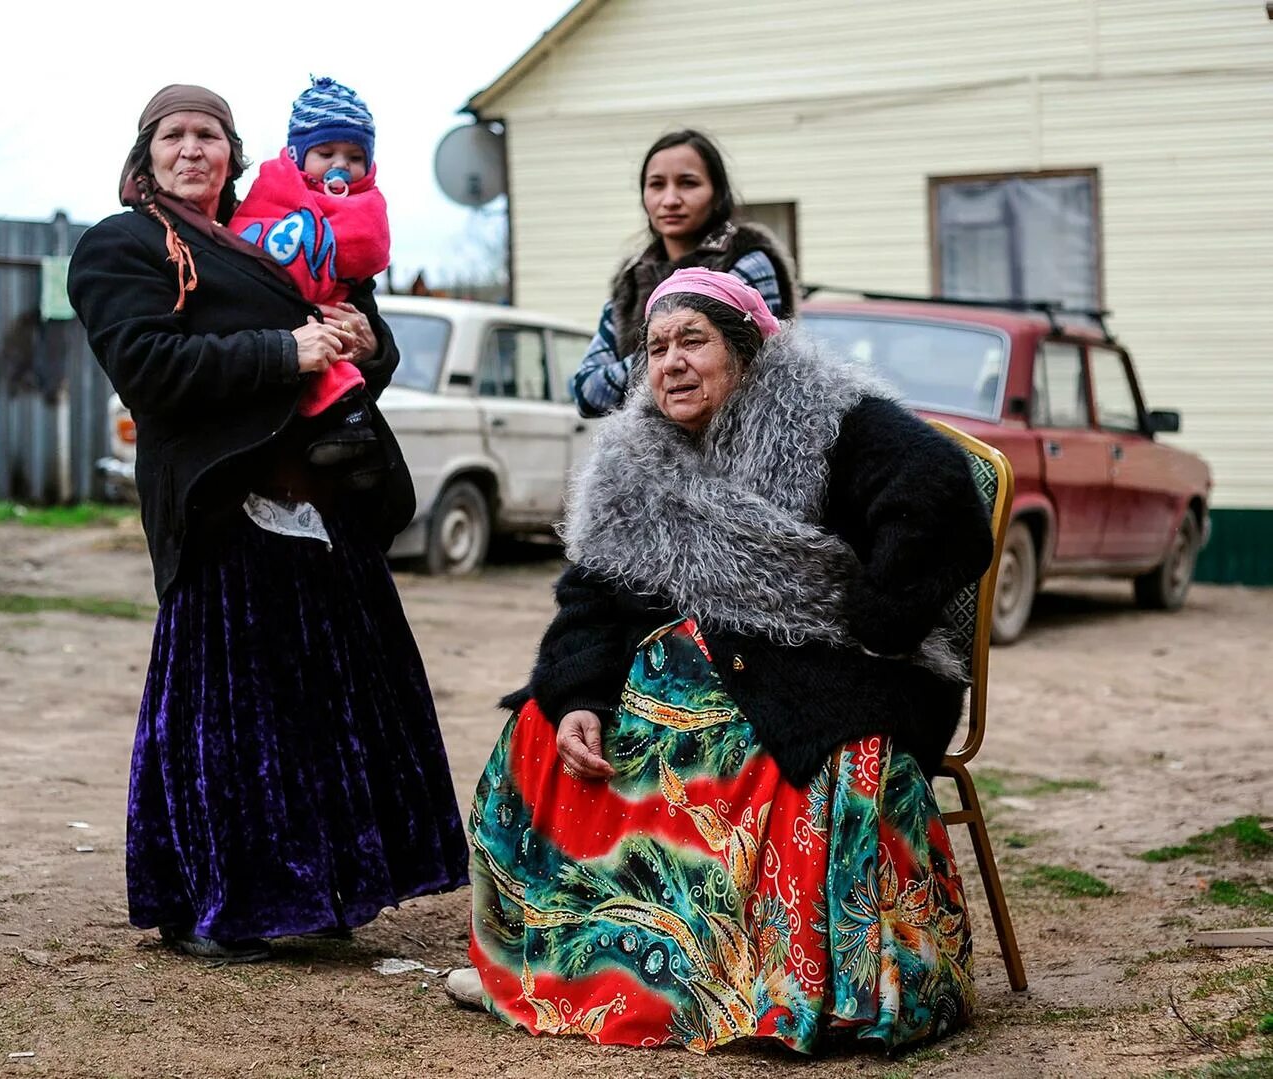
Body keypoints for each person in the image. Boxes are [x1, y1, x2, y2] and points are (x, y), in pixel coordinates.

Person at [446, 268, 993, 1054]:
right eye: (656, 346)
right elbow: (590, 599)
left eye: (692, 340)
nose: (670, 360)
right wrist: (578, 697)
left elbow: (939, 495)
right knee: (544, 729)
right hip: (714, 667)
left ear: (745, 349)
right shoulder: (634, 461)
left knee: (756, 751)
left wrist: (879, 613)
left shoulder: (829, 418)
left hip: (847, 666)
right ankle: (556, 962)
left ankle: (751, 979)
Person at [66, 84, 469, 964]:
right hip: (223, 513)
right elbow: (148, 368)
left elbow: (359, 333)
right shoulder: (122, 246)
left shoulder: (271, 231)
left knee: (328, 710)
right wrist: (284, 352)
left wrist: (367, 341)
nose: (193, 149)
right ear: (146, 155)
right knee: (227, 724)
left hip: (325, 506)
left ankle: (323, 891)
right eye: (175, 135)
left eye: (210, 135)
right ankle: (215, 904)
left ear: (235, 152)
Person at [572, 130, 799, 419]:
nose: (670, 199)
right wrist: (672, 359)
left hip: (735, 447)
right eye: (656, 185)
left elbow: (751, 370)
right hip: (646, 456)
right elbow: (588, 393)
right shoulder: (633, 277)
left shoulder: (747, 260)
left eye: (688, 183)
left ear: (718, 194)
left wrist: (649, 361)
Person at [229, 76, 389, 485]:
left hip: (334, 331)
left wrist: (373, 346)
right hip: (272, 361)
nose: (341, 165)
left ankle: (354, 442)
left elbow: (365, 287)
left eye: (355, 156)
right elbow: (249, 233)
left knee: (338, 371)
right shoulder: (271, 195)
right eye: (326, 152)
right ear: (298, 156)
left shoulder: (362, 207)